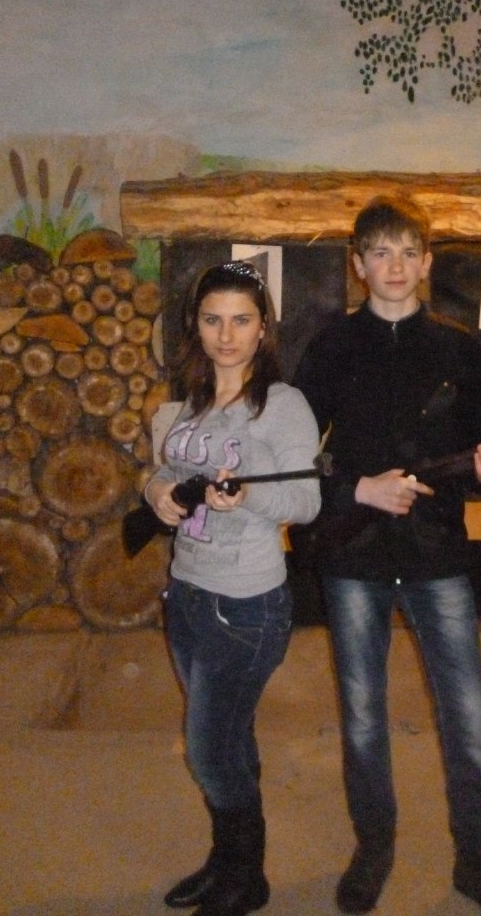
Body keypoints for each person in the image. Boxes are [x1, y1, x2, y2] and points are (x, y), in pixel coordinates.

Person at [293, 195, 481, 916]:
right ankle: (374, 847)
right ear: (358, 266)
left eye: (407, 253)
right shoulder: (331, 346)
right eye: (380, 253)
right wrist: (358, 489)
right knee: (364, 716)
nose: (394, 266)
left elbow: (474, 448)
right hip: (355, 557)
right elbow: (295, 456)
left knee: (468, 715)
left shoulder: (459, 347)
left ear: (426, 264)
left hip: (437, 554)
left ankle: (480, 861)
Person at [144, 260, 321, 916]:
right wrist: (157, 491)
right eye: (213, 319)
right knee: (230, 738)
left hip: (245, 605)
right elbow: (163, 468)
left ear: (263, 328)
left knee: (209, 751)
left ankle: (245, 878)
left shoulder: (282, 405)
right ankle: (230, 866)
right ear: (195, 325)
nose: (226, 335)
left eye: (241, 320)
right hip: (186, 594)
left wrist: (246, 497)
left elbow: (305, 501)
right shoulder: (191, 400)